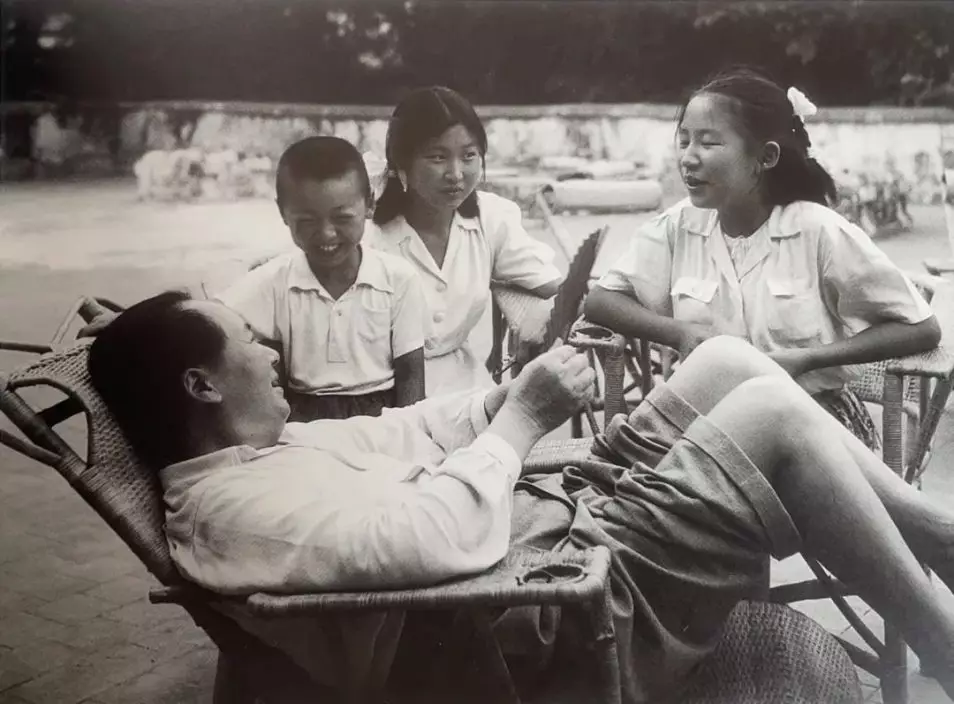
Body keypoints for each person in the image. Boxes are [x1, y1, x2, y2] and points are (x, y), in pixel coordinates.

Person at [88, 290, 954, 703]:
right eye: (248, 339)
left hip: (558, 533)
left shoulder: (267, 452)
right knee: (771, 415)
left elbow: (406, 431)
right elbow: (435, 540)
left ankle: (941, 537)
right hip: (551, 625)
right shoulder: (235, 516)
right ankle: (942, 639)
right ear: (202, 385)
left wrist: (506, 399)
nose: (270, 351)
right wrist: (526, 421)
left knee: (726, 362)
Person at [585, 67, 940, 451]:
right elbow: (601, 300)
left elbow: (920, 328)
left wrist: (809, 359)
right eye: (684, 141)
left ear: (766, 156)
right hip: (703, 424)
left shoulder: (817, 231)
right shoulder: (678, 226)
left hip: (810, 424)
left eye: (708, 143)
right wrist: (679, 332)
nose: (688, 158)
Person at [364, 86, 564, 397]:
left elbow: (553, 284)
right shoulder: (370, 235)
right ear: (402, 162)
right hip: (382, 391)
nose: (456, 174)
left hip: (466, 389)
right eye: (437, 157)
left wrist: (538, 323)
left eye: (469, 155)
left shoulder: (491, 218)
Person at [215, 136, 427, 421]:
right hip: (301, 420)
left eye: (342, 218)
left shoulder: (399, 279)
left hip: (382, 417)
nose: (326, 234)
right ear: (283, 213)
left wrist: (409, 432)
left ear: (369, 205)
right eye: (307, 221)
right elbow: (209, 317)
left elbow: (411, 376)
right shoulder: (275, 280)